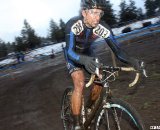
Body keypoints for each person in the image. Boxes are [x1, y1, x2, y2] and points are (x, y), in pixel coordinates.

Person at [64, 0, 143, 129]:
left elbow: (118, 51)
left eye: (100, 13)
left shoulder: (103, 27)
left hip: (89, 53)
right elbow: (70, 51)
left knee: (101, 79)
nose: (97, 17)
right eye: (94, 12)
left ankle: (89, 109)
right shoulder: (73, 25)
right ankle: (76, 124)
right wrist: (83, 60)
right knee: (79, 83)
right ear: (84, 12)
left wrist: (132, 61)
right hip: (73, 54)